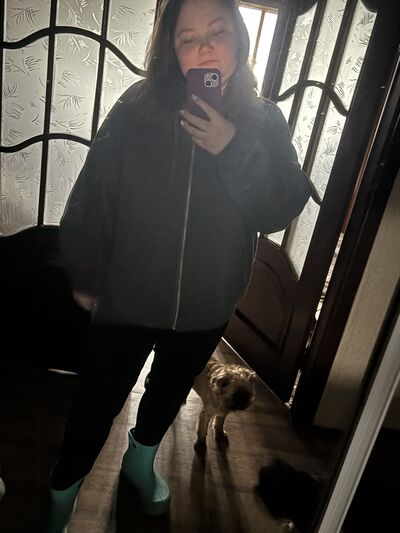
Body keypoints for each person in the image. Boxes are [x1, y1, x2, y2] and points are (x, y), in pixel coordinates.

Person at [47, 0, 311, 530]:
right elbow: (94, 192)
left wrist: (232, 148)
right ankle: (61, 497)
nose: (204, 47)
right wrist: (87, 273)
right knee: (97, 401)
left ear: (239, 38)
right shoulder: (137, 107)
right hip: (126, 297)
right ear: (170, 48)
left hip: (206, 305)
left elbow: (281, 206)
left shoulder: (264, 121)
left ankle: (139, 462)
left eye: (217, 32)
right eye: (187, 38)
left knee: (168, 391)